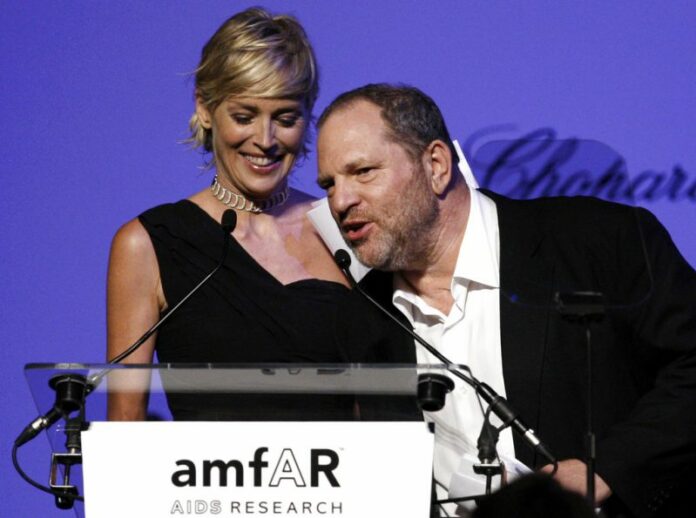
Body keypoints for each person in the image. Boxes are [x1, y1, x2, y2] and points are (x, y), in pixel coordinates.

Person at [316, 83, 696, 517]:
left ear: (436, 165)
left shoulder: (598, 241)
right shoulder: (359, 318)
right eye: (328, 184)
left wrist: (606, 470)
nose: (340, 201)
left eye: (362, 171)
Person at [106, 10, 407, 421]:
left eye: (285, 119)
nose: (265, 141)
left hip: (342, 482)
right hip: (205, 484)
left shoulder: (342, 226)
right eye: (244, 116)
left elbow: (378, 403)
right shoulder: (149, 244)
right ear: (205, 108)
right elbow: (125, 426)